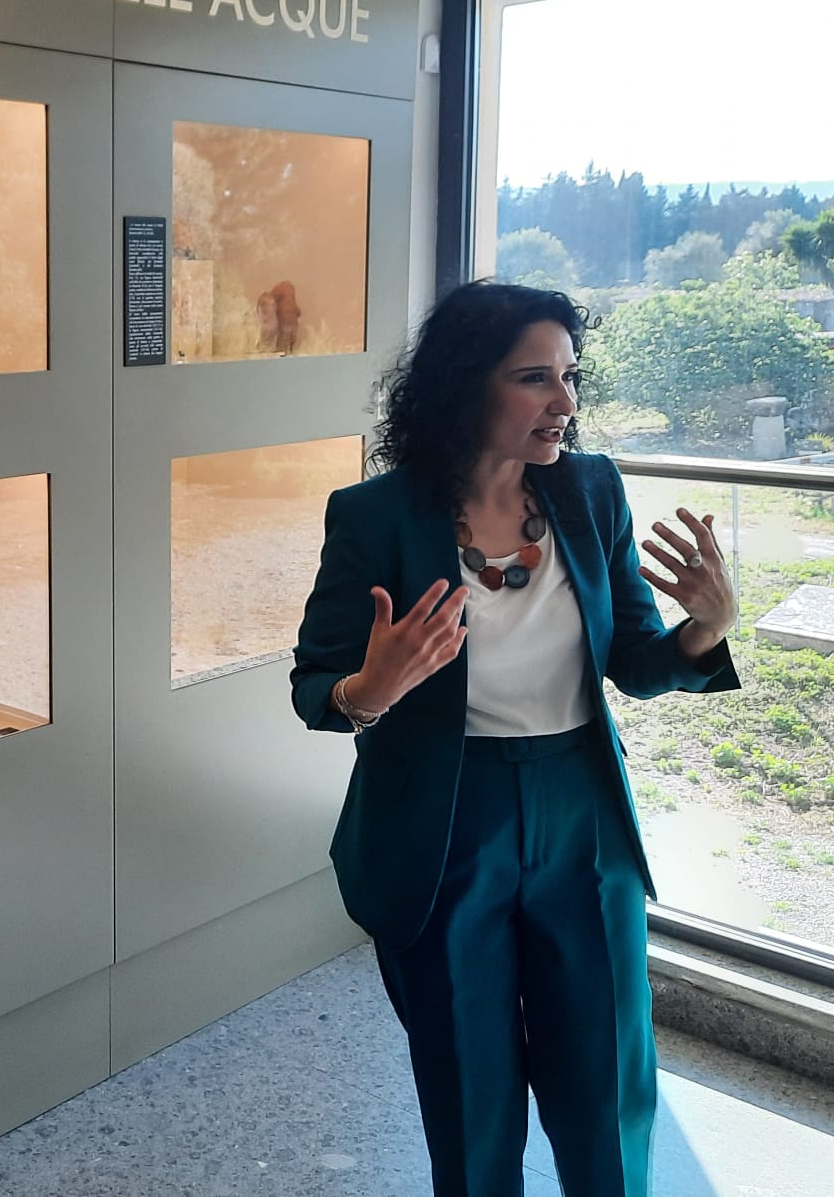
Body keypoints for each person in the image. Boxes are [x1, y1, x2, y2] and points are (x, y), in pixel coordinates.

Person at [290, 281, 740, 1196]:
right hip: (445, 824)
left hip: (582, 813)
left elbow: (637, 661)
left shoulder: (590, 491)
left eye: (569, 377)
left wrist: (705, 630)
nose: (565, 403)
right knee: (470, 1092)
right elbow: (313, 687)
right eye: (535, 378)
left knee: (606, 1080)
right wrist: (370, 690)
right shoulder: (374, 517)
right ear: (464, 387)